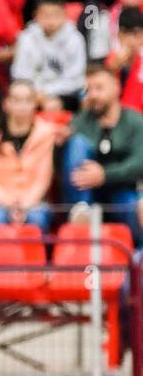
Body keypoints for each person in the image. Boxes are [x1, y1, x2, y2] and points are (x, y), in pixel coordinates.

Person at [63, 64, 143, 243]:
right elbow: (66, 166)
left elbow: (140, 163)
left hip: (122, 190)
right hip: (85, 193)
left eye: (99, 88)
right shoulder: (79, 122)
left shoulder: (136, 121)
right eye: (89, 89)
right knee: (76, 142)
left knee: (135, 207)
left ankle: (137, 259)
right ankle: (81, 209)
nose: (92, 95)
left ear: (116, 87)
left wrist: (104, 174)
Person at [0, 79, 57, 229]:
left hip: (34, 202)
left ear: (35, 104)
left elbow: (43, 179)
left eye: (28, 100)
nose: (22, 106)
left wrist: (25, 204)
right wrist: (9, 204)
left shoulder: (47, 133)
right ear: (6, 103)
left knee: (37, 216)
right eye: (17, 100)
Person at [12, 0, 87, 111]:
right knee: (17, 97)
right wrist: (36, 93)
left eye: (56, 15)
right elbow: (20, 73)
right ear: (36, 16)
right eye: (46, 15)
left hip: (65, 92)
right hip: (32, 91)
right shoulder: (26, 37)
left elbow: (76, 79)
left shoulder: (75, 39)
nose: (51, 20)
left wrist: (48, 92)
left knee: (82, 94)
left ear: (64, 15)